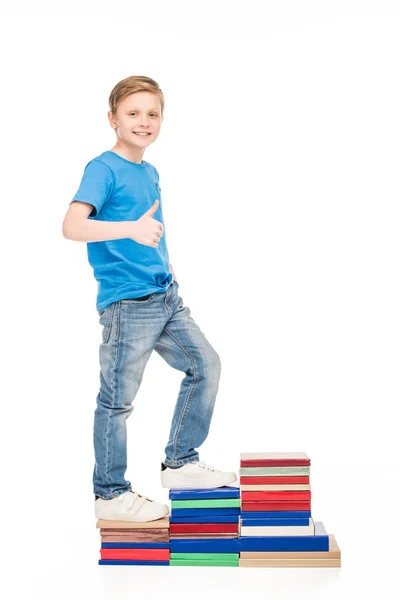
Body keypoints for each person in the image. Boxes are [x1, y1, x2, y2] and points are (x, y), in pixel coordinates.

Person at [62, 75, 237, 522]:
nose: (144, 122)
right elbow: (72, 225)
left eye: (152, 113)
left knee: (205, 366)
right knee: (117, 401)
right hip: (128, 305)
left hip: (165, 296)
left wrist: (167, 265)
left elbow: (152, 229)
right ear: (113, 119)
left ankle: (180, 462)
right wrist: (131, 230)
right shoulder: (102, 168)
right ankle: (110, 493)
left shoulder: (149, 170)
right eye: (133, 113)